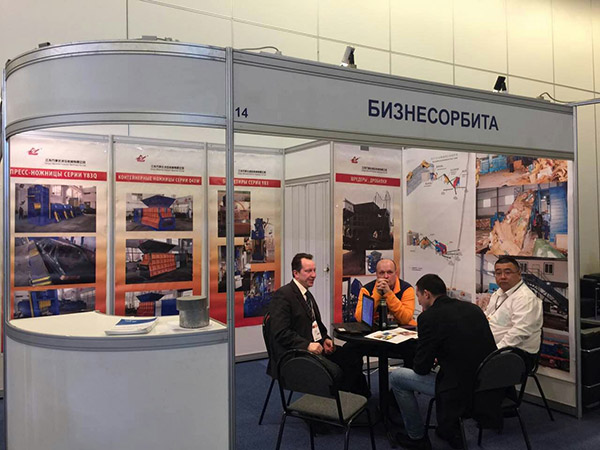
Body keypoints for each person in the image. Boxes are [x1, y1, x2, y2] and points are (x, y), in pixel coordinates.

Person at [389, 274, 496, 450]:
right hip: (486, 381)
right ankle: (448, 428)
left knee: (397, 377)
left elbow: (421, 368)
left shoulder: (428, 318)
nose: (419, 301)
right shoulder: (473, 309)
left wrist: (431, 355)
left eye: (418, 296)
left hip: (458, 387)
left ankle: (416, 438)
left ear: (427, 294)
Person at [268, 253, 368, 396]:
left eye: (314, 270)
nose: (314, 275)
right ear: (296, 273)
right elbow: (280, 332)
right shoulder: (283, 296)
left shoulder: (306, 294)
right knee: (337, 370)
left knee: (352, 356)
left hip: (314, 348)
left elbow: (315, 324)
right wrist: (307, 345)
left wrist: (324, 338)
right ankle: (341, 402)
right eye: (308, 271)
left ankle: (359, 399)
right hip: (295, 356)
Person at [485, 255, 543, 372]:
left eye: (508, 272)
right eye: (498, 273)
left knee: (472, 364)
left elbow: (520, 332)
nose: (502, 277)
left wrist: (495, 350)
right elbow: (488, 316)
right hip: (497, 346)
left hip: (518, 353)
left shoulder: (525, 298)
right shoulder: (498, 293)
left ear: (519, 274)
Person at [354, 258, 416, 326]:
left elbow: (406, 319)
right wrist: (377, 294)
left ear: (396, 273)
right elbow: (360, 318)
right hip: (375, 329)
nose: (386, 276)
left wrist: (388, 293)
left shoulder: (406, 289)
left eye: (389, 272)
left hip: (401, 328)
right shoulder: (366, 290)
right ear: (376, 274)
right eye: (381, 273)